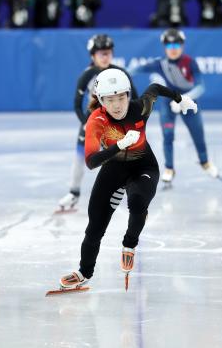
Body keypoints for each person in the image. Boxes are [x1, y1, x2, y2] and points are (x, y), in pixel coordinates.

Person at [57, 69, 197, 290]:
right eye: (110, 100)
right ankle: (85, 272)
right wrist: (119, 145)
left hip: (143, 165)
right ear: (101, 100)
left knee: (138, 202)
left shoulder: (139, 108)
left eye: (122, 97)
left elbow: (155, 89)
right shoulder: (96, 120)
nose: (117, 105)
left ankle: (129, 245)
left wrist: (181, 99)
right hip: (113, 168)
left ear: (128, 95)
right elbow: (92, 162)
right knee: (94, 227)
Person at [129, 28, 219, 187]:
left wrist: (185, 98)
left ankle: (205, 162)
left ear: (182, 46)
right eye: (169, 46)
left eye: (176, 45)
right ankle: (169, 168)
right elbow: (135, 70)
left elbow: (201, 87)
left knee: (198, 134)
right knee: (168, 136)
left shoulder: (190, 63)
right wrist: (120, 73)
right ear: (164, 48)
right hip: (168, 103)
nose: (173, 49)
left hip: (189, 103)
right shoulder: (160, 64)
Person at [58, 34, 138, 211]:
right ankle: (74, 192)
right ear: (92, 55)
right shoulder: (86, 76)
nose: (105, 57)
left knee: (121, 159)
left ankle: (131, 191)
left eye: (108, 53)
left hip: (114, 124)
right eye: (101, 53)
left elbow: (136, 99)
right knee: (80, 159)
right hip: (91, 123)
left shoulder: (121, 73)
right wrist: (85, 123)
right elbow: (77, 105)